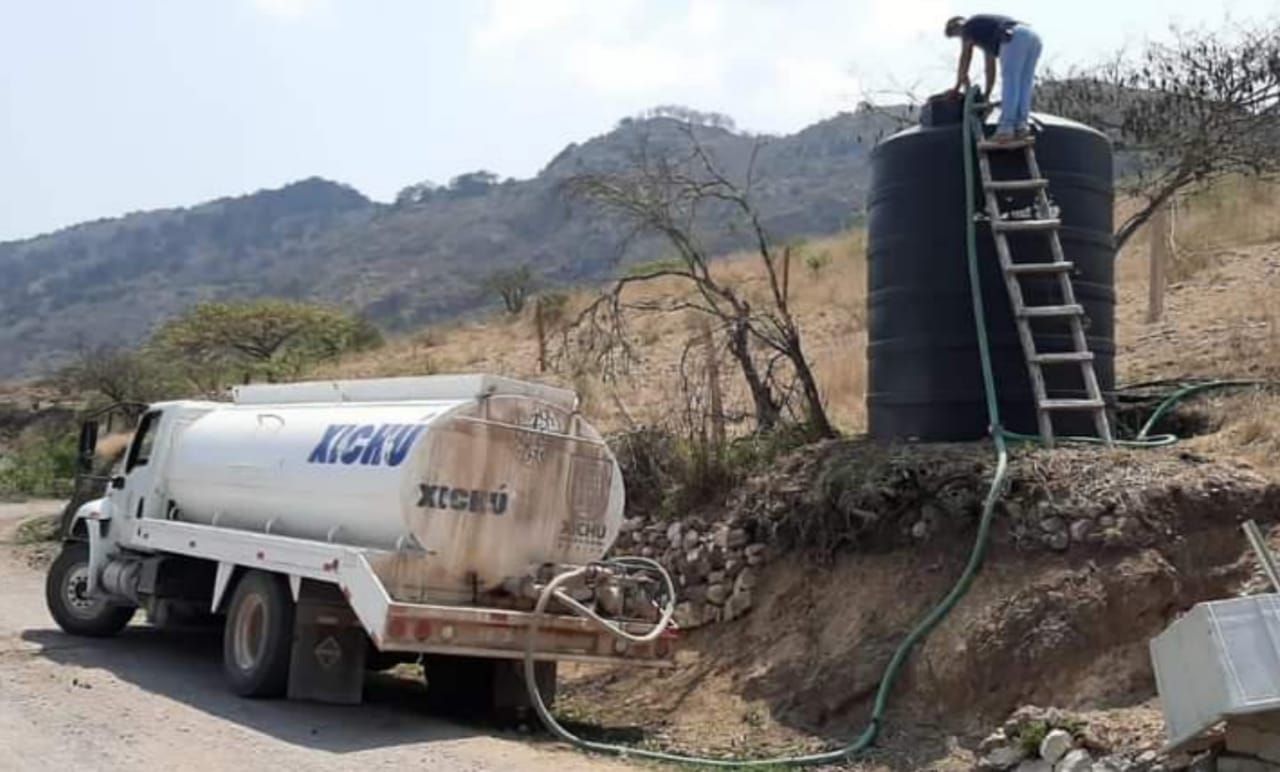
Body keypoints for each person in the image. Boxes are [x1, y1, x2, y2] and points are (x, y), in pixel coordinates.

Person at [945, 14, 1043, 143]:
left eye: (956, 35)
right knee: (1024, 83)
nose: (960, 38)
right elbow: (989, 68)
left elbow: (965, 59)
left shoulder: (967, 27)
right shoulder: (985, 32)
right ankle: (1021, 126)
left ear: (956, 27)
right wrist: (987, 94)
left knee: (1011, 81)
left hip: (1012, 38)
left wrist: (957, 87)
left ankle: (1005, 129)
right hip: (1032, 37)